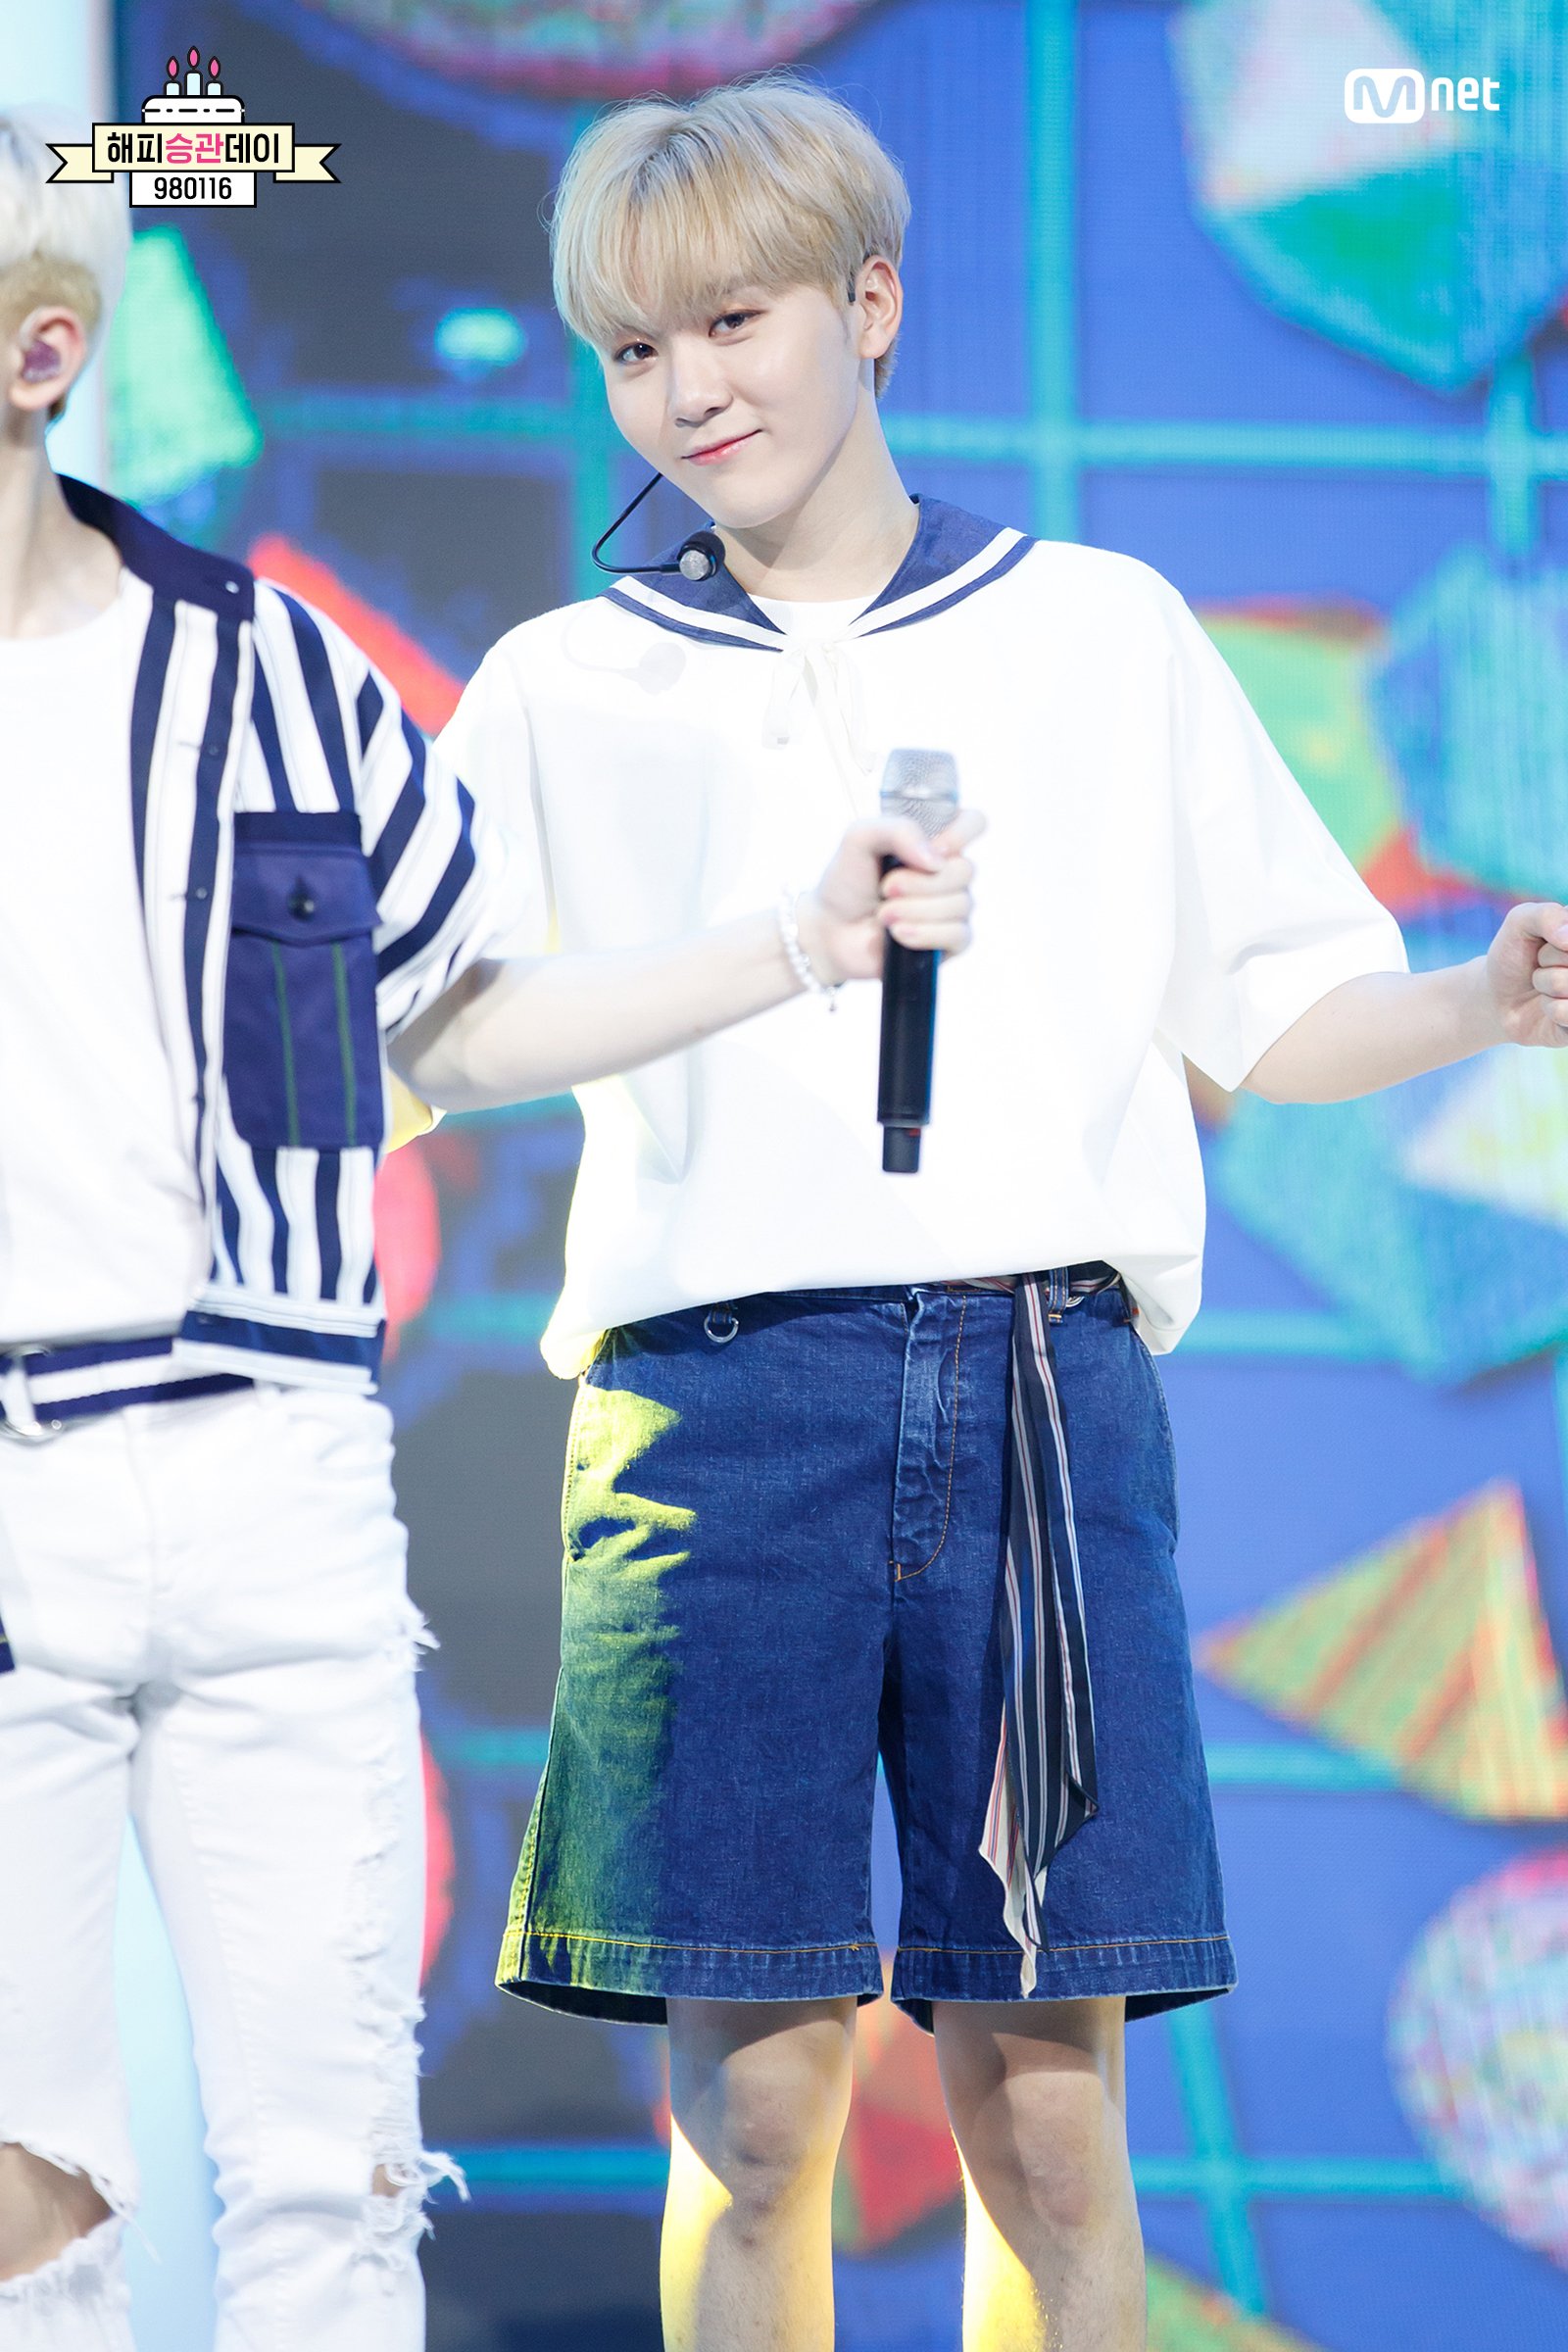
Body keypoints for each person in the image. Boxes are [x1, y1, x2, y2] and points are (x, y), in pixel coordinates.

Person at [439, 74, 1568, 2352]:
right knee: (756, 2113)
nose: (688, 389)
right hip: (708, 1417)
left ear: (866, 302)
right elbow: (447, 1038)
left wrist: (1472, 1001)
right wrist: (779, 945)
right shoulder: (568, 682)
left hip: (1038, 1397)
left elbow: (1275, 1009)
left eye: (733, 322)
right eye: (634, 350)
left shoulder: (1096, 632)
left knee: (1046, 2119)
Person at [0, 105, 975, 2352]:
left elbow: (454, 1015)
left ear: (42, 354)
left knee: (332, 2188)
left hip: (272, 1478)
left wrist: (796, 943)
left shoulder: (266, 669)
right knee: (31, 2204)